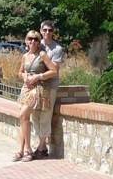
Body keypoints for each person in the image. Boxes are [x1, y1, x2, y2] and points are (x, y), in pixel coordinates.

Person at [14, 30, 58, 162]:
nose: (33, 41)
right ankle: (21, 150)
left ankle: (27, 150)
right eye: (30, 39)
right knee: (24, 118)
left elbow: (54, 71)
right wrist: (24, 76)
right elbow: (20, 71)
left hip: (38, 89)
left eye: (36, 39)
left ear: (39, 42)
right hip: (26, 89)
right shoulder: (25, 56)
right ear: (26, 41)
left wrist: (39, 76)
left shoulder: (42, 55)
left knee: (23, 115)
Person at [32, 21, 66, 158]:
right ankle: (42, 146)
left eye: (50, 30)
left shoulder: (57, 49)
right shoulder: (36, 44)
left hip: (50, 85)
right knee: (34, 114)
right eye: (45, 30)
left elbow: (54, 71)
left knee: (45, 114)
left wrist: (39, 75)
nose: (47, 32)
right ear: (40, 30)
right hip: (36, 85)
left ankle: (41, 147)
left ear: (53, 32)